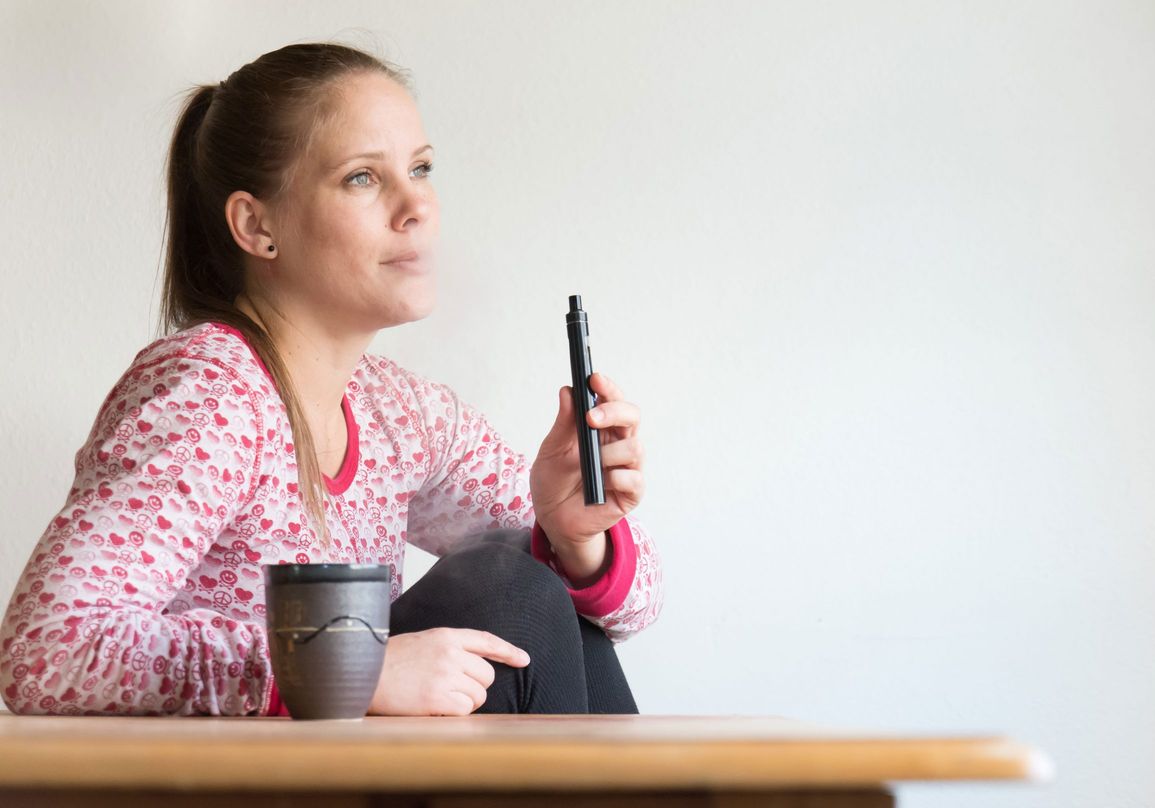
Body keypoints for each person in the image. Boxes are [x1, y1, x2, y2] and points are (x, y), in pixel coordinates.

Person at [0, 42, 663, 717]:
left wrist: (576, 536)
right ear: (257, 226)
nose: (417, 207)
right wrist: (348, 669)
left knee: (535, 577)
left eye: (421, 168)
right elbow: (47, 650)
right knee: (509, 586)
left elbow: (632, 609)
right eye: (362, 178)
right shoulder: (210, 393)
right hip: (227, 782)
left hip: (334, 770)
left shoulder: (398, 412)